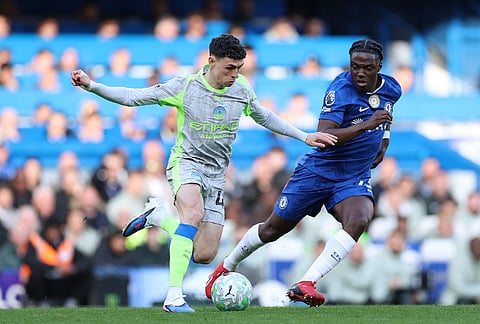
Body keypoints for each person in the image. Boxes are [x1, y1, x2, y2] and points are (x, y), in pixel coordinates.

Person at [70, 33, 336, 312]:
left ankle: (158, 216)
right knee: (192, 214)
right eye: (229, 68)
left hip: (217, 175)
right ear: (211, 62)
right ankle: (174, 297)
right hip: (186, 163)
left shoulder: (242, 89)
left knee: (204, 254)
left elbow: (264, 116)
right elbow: (134, 97)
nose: (235, 74)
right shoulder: (185, 86)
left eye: (239, 68)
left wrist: (303, 136)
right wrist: (91, 86)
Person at [205, 39, 402, 307]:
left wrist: (384, 140)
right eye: (355, 66)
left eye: (367, 68)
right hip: (319, 171)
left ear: (379, 66)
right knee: (272, 229)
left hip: (352, 177)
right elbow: (325, 135)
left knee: (359, 220)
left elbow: (386, 114)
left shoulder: (392, 87)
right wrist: (367, 126)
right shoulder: (340, 90)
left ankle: (306, 283)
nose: (360, 73)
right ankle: (226, 266)